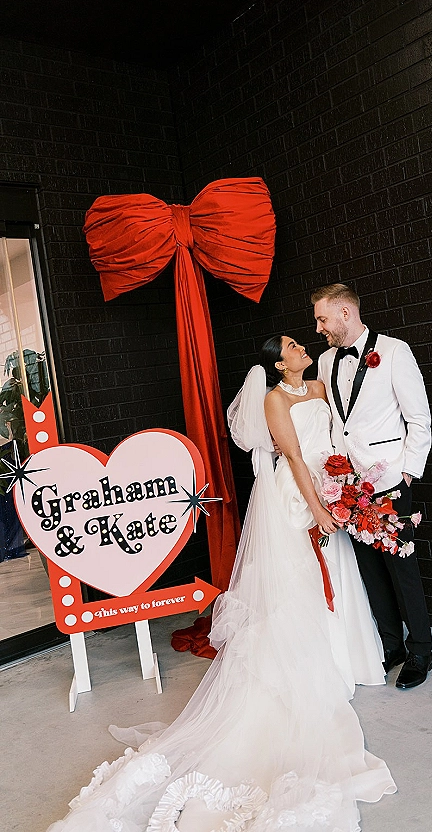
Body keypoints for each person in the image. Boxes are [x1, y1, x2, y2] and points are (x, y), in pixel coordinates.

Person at [46, 335, 396, 832]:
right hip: (296, 497)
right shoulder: (275, 399)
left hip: (329, 484)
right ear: (279, 361)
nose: (302, 346)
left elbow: (332, 444)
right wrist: (317, 506)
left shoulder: (319, 388)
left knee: (335, 577)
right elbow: (294, 457)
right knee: (297, 584)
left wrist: (344, 488)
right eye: (295, 345)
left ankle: (348, 656)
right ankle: (314, 666)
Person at [312, 283, 432, 690]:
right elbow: (335, 421)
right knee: (372, 572)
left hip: (390, 482)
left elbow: (419, 419)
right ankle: (391, 646)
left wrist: (407, 475)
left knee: (404, 572)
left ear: (345, 313)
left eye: (322, 318)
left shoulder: (396, 352)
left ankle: (421, 652)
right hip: (349, 487)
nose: (318, 328)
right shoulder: (326, 361)